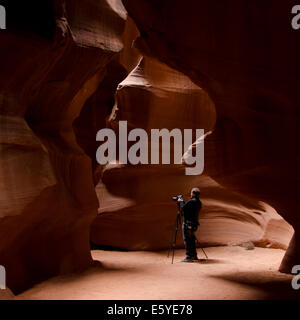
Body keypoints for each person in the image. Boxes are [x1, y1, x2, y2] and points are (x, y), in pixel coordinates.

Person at [177, 187, 202, 262]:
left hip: (188, 224)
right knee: (192, 240)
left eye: (191, 193)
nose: (190, 194)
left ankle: (189, 257)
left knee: (187, 240)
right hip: (194, 224)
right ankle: (194, 256)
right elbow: (188, 208)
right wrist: (183, 202)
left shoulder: (191, 202)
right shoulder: (198, 202)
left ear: (193, 193)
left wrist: (180, 201)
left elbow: (183, 208)